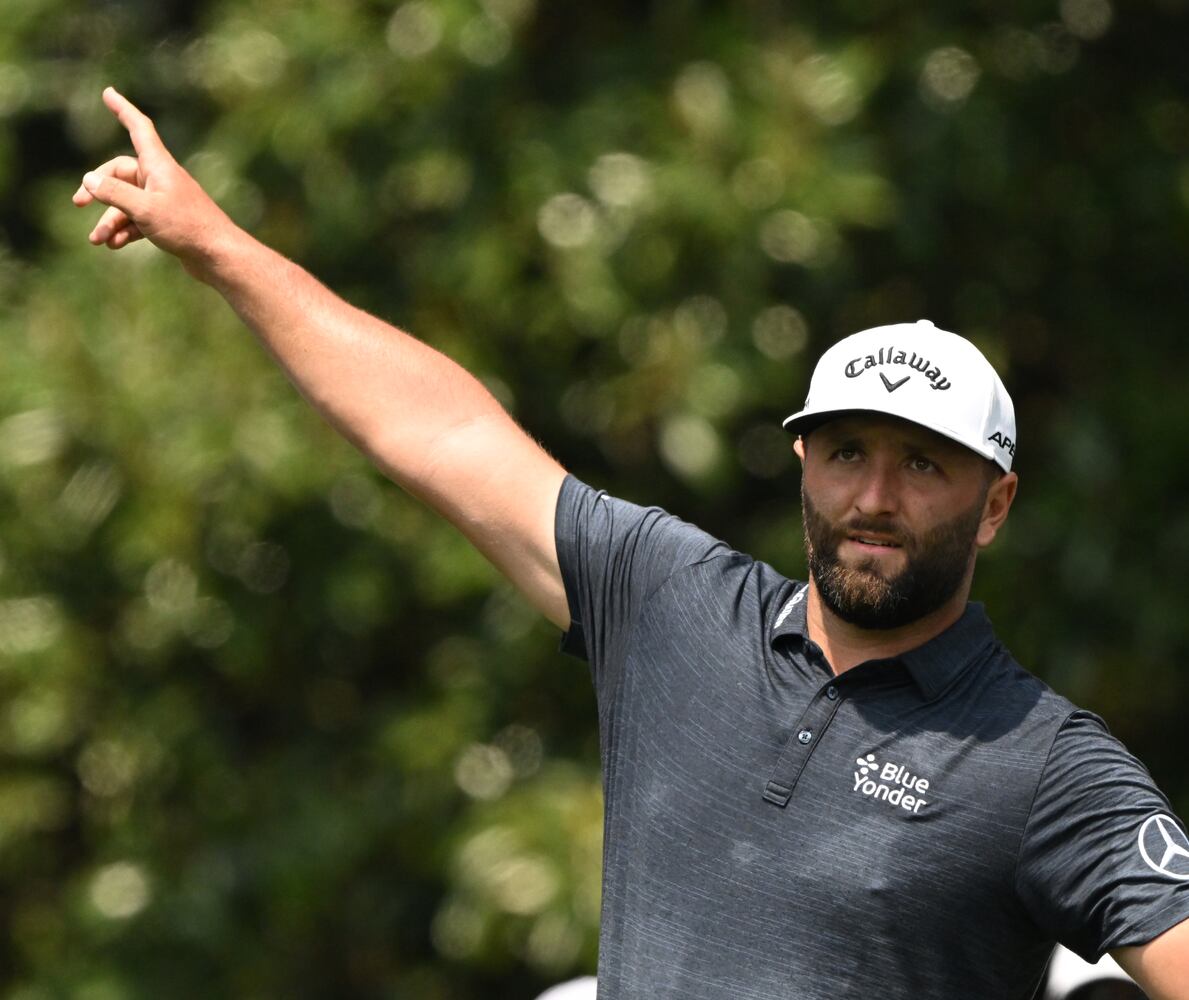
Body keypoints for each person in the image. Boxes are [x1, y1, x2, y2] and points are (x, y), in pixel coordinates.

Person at [73, 87, 1189, 999]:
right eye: (847, 452)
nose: (874, 496)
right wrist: (217, 245)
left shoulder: (1044, 763)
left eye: (925, 466)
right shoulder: (673, 605)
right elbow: (442, 433)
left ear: (994, 505)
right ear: (803, 461)